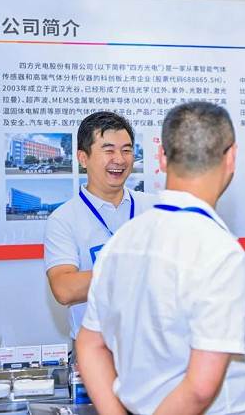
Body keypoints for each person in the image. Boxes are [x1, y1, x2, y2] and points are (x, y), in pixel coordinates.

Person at [76, 102, 245, 415]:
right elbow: (200, 388)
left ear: (162, 157)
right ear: (231, 158)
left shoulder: (121, 241)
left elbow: (90, 345)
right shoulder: (219, 249)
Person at [44, 111, 154, 342]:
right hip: (94, 348)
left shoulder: (154, 208)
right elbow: (64, 289)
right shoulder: (64, 218)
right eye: (109, 150)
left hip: (151, 344)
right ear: (83, 158)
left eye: (126, 150)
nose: (120, 160)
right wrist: (130, 270)